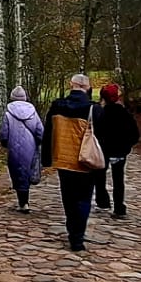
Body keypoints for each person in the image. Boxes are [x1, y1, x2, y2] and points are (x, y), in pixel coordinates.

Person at [42, 73, 99, 251]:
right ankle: (77, 236)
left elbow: (48, 133)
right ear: (87, 87)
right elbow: (102, 137)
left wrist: (46, 158)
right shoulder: (93, 109)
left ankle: (72, 229)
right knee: (84, 198)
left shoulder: (57, 106)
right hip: (85, 161)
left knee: (68, 197)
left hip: (63, 159)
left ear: (70, 85)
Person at [93, 83, 141, 218]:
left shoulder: (101, 114)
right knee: (118, 179)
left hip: (104, 150)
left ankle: (102, 201)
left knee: (99, 175)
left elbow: (96, 133)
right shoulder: (125, 114)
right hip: (120, 151)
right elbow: (135, 134)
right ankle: (119, 206)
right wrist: (127, 146)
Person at [0, 86, 44, 213]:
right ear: (25, 98)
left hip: (14, 147)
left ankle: (23, 203)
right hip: (31, 146)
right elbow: (40, 131)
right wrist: (37, 143)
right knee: (27, 172)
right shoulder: (33, 112)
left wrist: (5, 143)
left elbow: (4, 133)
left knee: (17, 173)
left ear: (12, 98)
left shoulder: (8, 113)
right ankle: (24, 202)